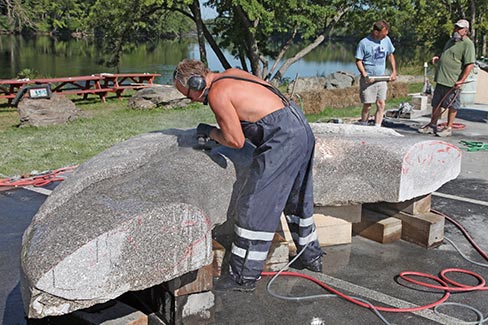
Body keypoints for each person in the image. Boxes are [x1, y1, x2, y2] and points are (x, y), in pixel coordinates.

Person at [173, 59, 323, 292]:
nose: (191, 100)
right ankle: (311, 257)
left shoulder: (217, 94)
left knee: (255, 204)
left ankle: (243, 276)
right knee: (298, 197)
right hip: (299, 125)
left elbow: (235, 140)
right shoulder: (231, 74)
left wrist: (210, 132)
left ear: (197, 82)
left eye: (188, 94)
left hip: (282, 138)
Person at [418, 19, 476, 137]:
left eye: (459, 28)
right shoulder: (450, 41)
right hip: (441, 79)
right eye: (456, 27)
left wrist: (461, 80)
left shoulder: (468, 44)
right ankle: (433, 125)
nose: (456, 30)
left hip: (453, 81)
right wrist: (438, 57)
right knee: (436, 103)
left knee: (452, 105)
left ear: (466, 31)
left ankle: (448, 128)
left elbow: (470, 64)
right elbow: (447, 54)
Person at [355, 20, 397, 127]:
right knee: (367, 105)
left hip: (381, 78)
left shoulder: (386, 40)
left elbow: (390, 55)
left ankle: (377, 126)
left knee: (381, 103)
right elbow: (358, 60)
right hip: (369, 79)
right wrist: (364, 74)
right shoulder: (364, 43)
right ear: (376, 32)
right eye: (383, 33)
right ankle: (364, 124)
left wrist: (394, 71)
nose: (385, 35)